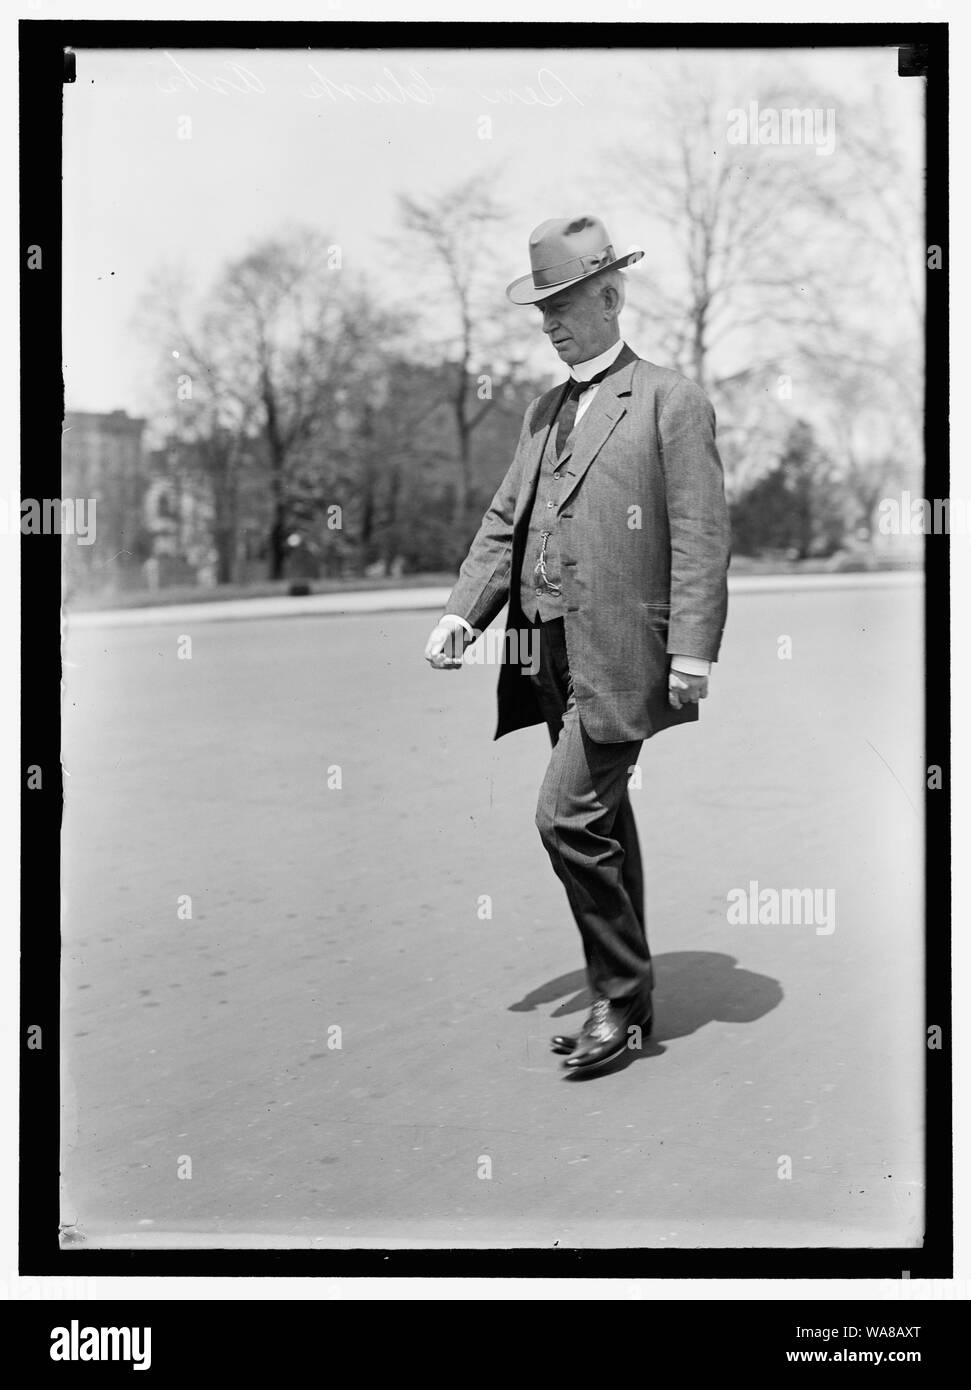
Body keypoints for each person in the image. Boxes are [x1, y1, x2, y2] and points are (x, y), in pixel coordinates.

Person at [424, 215, 731, 1076]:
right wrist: (462, 614)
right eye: (541, 308)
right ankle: (630, 999)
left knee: (563, 818)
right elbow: (503, 522)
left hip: (624, 654)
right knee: (604, 817)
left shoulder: (671, 399)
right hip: (546, 652)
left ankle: (621, 996)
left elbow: (700, 536)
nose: (551, 322)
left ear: (609, 296)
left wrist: (693, 652)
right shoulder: (543, 411)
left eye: (563, 304)